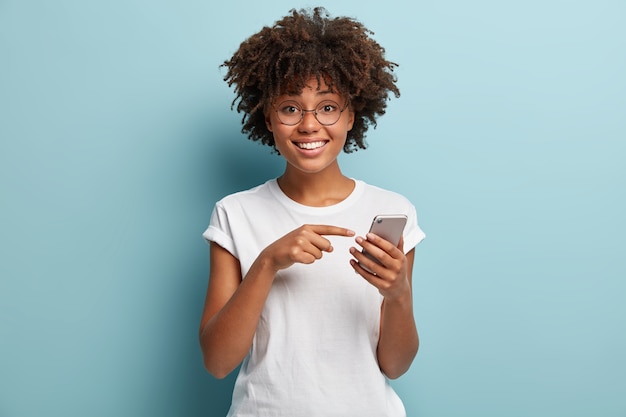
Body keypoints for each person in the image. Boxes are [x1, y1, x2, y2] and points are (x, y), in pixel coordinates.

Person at [199, 7, 426, 417]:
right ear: (268, 117)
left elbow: (395, 364)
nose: (308, 125)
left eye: (327, 107)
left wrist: (398, 294)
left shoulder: (393, 210)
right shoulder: (235, 214)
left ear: (351, 116)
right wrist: (268, 262)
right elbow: (216, 362)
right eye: (289, 108)